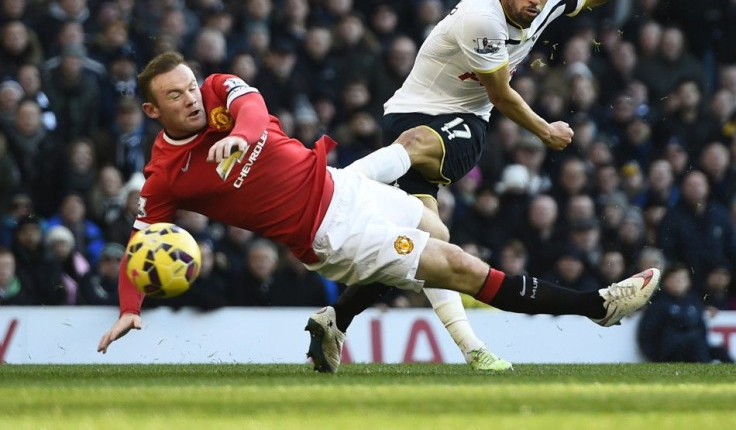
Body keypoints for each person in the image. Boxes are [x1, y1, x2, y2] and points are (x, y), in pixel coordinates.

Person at [97, 53, 661, 370]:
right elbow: (142, 240)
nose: (192, 98)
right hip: (328, 235)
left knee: (433, 222)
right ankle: (595, 307)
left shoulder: (222, 89)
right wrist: (129, 305)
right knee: (457, 265)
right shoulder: (165, 174)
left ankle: (334, 321)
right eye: (175, 97)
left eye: (190, 87)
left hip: (341, 187)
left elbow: (253, 110)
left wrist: (240, 139)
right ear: (153, 109)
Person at [323, 0, 671, 372]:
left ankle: (329, 192)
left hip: (464, 122)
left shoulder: (544, 4)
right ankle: (338, 313)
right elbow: (501, 94)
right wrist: (545, 129)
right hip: (408, 117)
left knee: (419, 190)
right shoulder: (480, 19)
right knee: (426, 245)